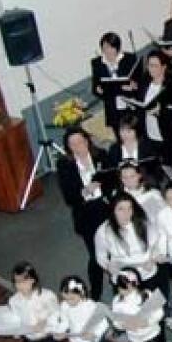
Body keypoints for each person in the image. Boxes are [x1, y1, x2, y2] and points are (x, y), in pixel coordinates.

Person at [57, 128, 115, 300]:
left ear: (87, 141)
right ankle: (95, 292)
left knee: (115, 247)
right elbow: (69, 197)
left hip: (106, 207)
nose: (78, 147)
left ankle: (118, 283)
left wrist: (104, 187)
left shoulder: (101, 155)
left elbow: (113, 179)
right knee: (96, 254)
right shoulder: (65, 164)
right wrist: (84, 191)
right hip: (86, 212)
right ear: (68, 147)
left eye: (80, 142)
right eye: (73, 144)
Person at [95, 194, 162, 294]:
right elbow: (100, 256)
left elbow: (156, 244)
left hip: (147, 273)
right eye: (121, 209)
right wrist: (109, 266)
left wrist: (152, 260)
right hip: (123, 278)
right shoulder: (103, 230)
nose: (126, 213)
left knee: (153, 307)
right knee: (126, 307)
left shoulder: (144, 223)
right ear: (113, 211)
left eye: (129, 208)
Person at [91, 32, 141, 136]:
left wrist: (133, 87)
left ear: (117, 48)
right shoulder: (97, 63)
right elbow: (95, 87)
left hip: (130, 106)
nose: (108, 51)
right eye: (104, 48)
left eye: (111, 48)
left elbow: (138, 82)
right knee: (120, 140)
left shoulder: (129, 58)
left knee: (137, 136)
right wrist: (98, 90)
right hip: (113, 110)